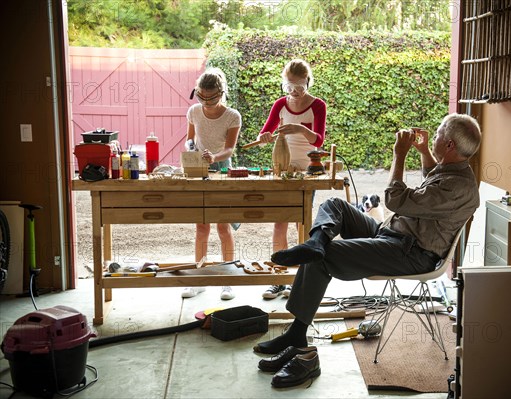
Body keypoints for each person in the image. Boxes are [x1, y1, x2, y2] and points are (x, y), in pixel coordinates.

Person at [253, 113, 482, 354]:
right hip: (393, 235)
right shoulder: (454, 173)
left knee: (324, 257)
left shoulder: (456, 188)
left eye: (437, 135)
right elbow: (431, 176)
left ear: (449, 145)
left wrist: (399, 154)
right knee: (335, 205)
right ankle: (316, 242)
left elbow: (394, 200)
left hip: (410, 253)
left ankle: (296, 334)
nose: (433, 137)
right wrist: (425, 150)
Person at [257, 59, 327, 299]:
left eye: (299, 87)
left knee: (303, 224)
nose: (295, 93)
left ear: (308, 82)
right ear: (283, 84)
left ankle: (301, 279)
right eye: (289, 87)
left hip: (307, 170)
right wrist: (265, 136)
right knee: (279, 223)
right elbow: (266, 130)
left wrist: (299, 129)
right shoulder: (280, 104)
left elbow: (319, 140)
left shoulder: (317, 105)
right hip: (283, 168)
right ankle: (279, 276)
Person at [181, 67, 241, 300]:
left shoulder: (232, 115)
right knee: (201, 226)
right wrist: (191, 148)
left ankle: (228, 279)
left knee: (223, 227)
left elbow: (230, 148)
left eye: (212, 98)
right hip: (199, 169)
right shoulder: (194, 112)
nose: (206, 102)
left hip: (222, 169)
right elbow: (189, 138)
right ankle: (199, 277)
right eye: (202, 97)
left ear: (221, 92)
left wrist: (213, 157)